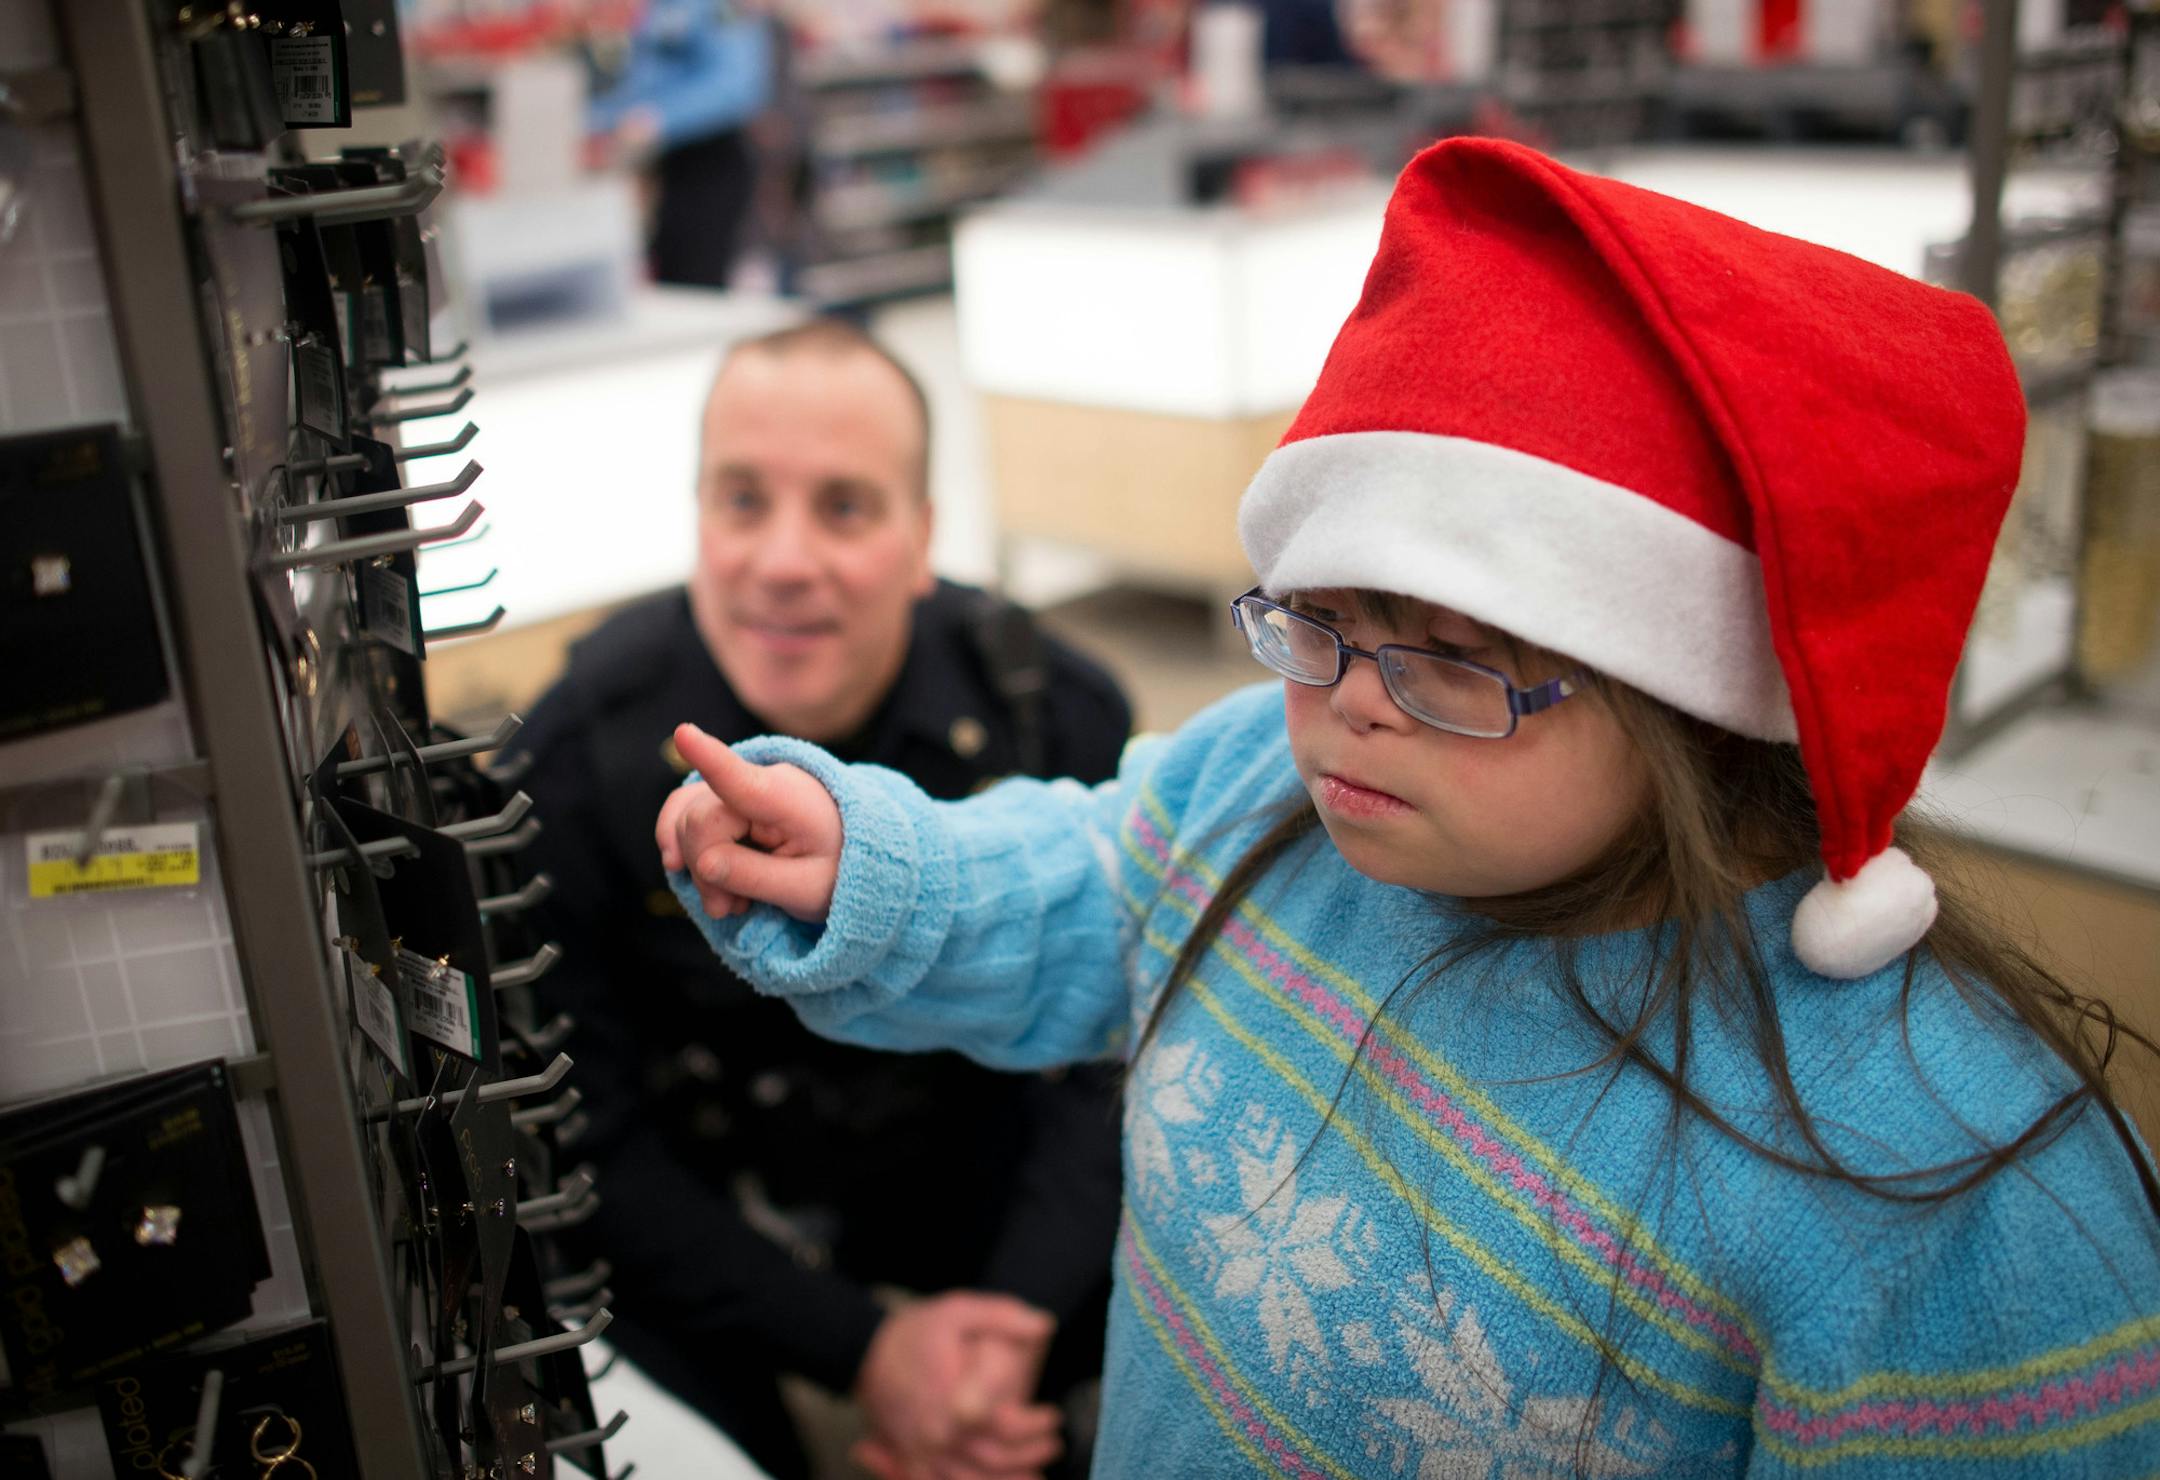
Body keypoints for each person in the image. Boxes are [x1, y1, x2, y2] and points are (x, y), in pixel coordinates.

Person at [655, 138, 2160, 1476]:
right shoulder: (1275, 789)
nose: (1356, 701)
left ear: (1693, 704)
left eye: (1456, 656)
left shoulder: (1932, 1192)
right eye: (1318, 619)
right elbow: (1110, 882)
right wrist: (885, 863)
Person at [511, 318, 1132, 1479]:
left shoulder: (1052, 714)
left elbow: (1117, 1062)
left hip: (987, 1198)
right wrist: (865, 1352)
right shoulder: (572, 759)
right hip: (719, 1232)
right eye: (743, 501)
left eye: (845, 508)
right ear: (698, 513)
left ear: (923, 539)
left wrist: (1003, 1337)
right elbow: (584, 1146)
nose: (784, 560)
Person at [587, 0, 777, 288]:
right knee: (665, 278)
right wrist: (592, 121)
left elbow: (737, 84)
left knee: (695, 286)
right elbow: (643, 81)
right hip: (664, 163)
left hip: (710, 161)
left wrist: (658, 120)